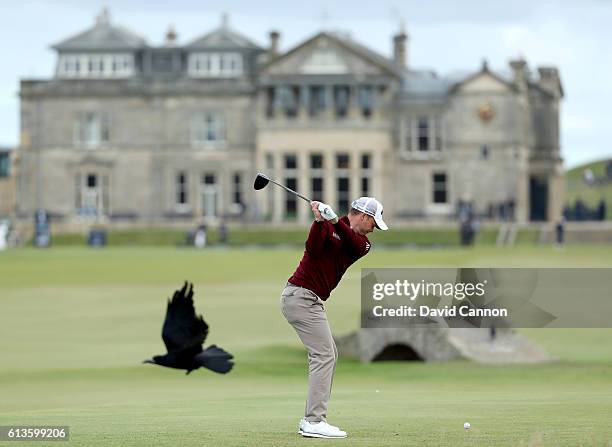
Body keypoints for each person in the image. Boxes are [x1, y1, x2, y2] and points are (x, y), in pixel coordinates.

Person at [279, 197, 388, 439]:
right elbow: (313, 248)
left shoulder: (363, 244)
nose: (374, 229)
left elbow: (350, 243)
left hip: (309, 300)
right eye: (374, 223)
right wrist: (319, 222)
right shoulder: (330, 226)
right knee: (324, 355)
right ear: (363, 216)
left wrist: (333, 221)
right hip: (300, 297)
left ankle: (312, 419)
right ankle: (313, 421)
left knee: (328, 354)